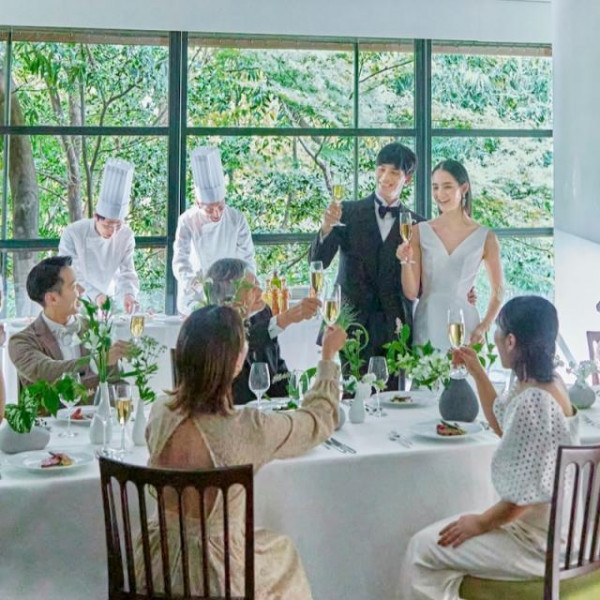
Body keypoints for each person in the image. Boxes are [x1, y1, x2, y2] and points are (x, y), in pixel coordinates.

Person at [135, 305, 347, 598]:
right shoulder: (247, 428)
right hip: (217, 575)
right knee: (284, 555)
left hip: (154, 566)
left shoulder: (160, 412)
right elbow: (317, 421)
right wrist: (328, 358)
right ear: (235, 363)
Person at [398, 296, 579, 600]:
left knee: (421, 549)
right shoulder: (551, 384)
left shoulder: (534, 401)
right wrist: (477, 371)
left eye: (498, 331)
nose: (494, 337)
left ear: (511, 341)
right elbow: (500, 421)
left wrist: (480, 523)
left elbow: (521, 499)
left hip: (537, 545)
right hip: (565, 534)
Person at [310, 142, 423, 373]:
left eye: (394, 172)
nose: (385, 177)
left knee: (395, 393)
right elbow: (318, 261)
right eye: (381, 169)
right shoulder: (347, 212)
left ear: (408, 178)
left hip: (395, 325)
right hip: (352, 323)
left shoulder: (418, 224)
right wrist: (326, 227)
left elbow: (422, 281)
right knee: (352, 393)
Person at [396, 159, 503, 351]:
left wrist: (483, 326)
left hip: (464, 323)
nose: (440, 194)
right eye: (435, 187)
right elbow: (411, 292)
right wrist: (405, 261)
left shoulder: (486, 237)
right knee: (427, 369)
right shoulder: (419, 231)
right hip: (428, 322)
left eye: (447, 187)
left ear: (464, 188)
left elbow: (499, 291)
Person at [206, 258, 321, 405]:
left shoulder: (264, 312)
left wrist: (293, 397)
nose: (260, 291)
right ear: (230, 298)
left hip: (269, 409)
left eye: (258, 284)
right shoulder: (214, 326)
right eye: (252, 288)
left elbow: (277, 365)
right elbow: (245, 341)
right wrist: (284, 319)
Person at [8, 256, 129, 391]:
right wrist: (96, 362)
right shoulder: (20, 342)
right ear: (52, 299)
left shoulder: (97, 329)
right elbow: (47, 372)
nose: (82, 290)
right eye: (74, 286)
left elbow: (118, 384)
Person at [173, 147, 256, 315]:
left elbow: (247, 258)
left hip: (230, 294)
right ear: (198, 203)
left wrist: (247, 287)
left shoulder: (236, 219)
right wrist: (194, 283)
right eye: (210, 210)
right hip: (196, 296)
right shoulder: (187, 221)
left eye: (221, 207)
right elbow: (181, 260)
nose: (217, 214)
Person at [59, 158, 139, 314]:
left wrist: (129, 294)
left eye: (118, 226)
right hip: (75, 303)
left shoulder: (126, 236)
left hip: (107, 304)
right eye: (107, 226)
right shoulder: (74, 233)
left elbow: (127, 271)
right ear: (96, 217)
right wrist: (96, 295)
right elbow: (69, 274)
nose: (112, 232)